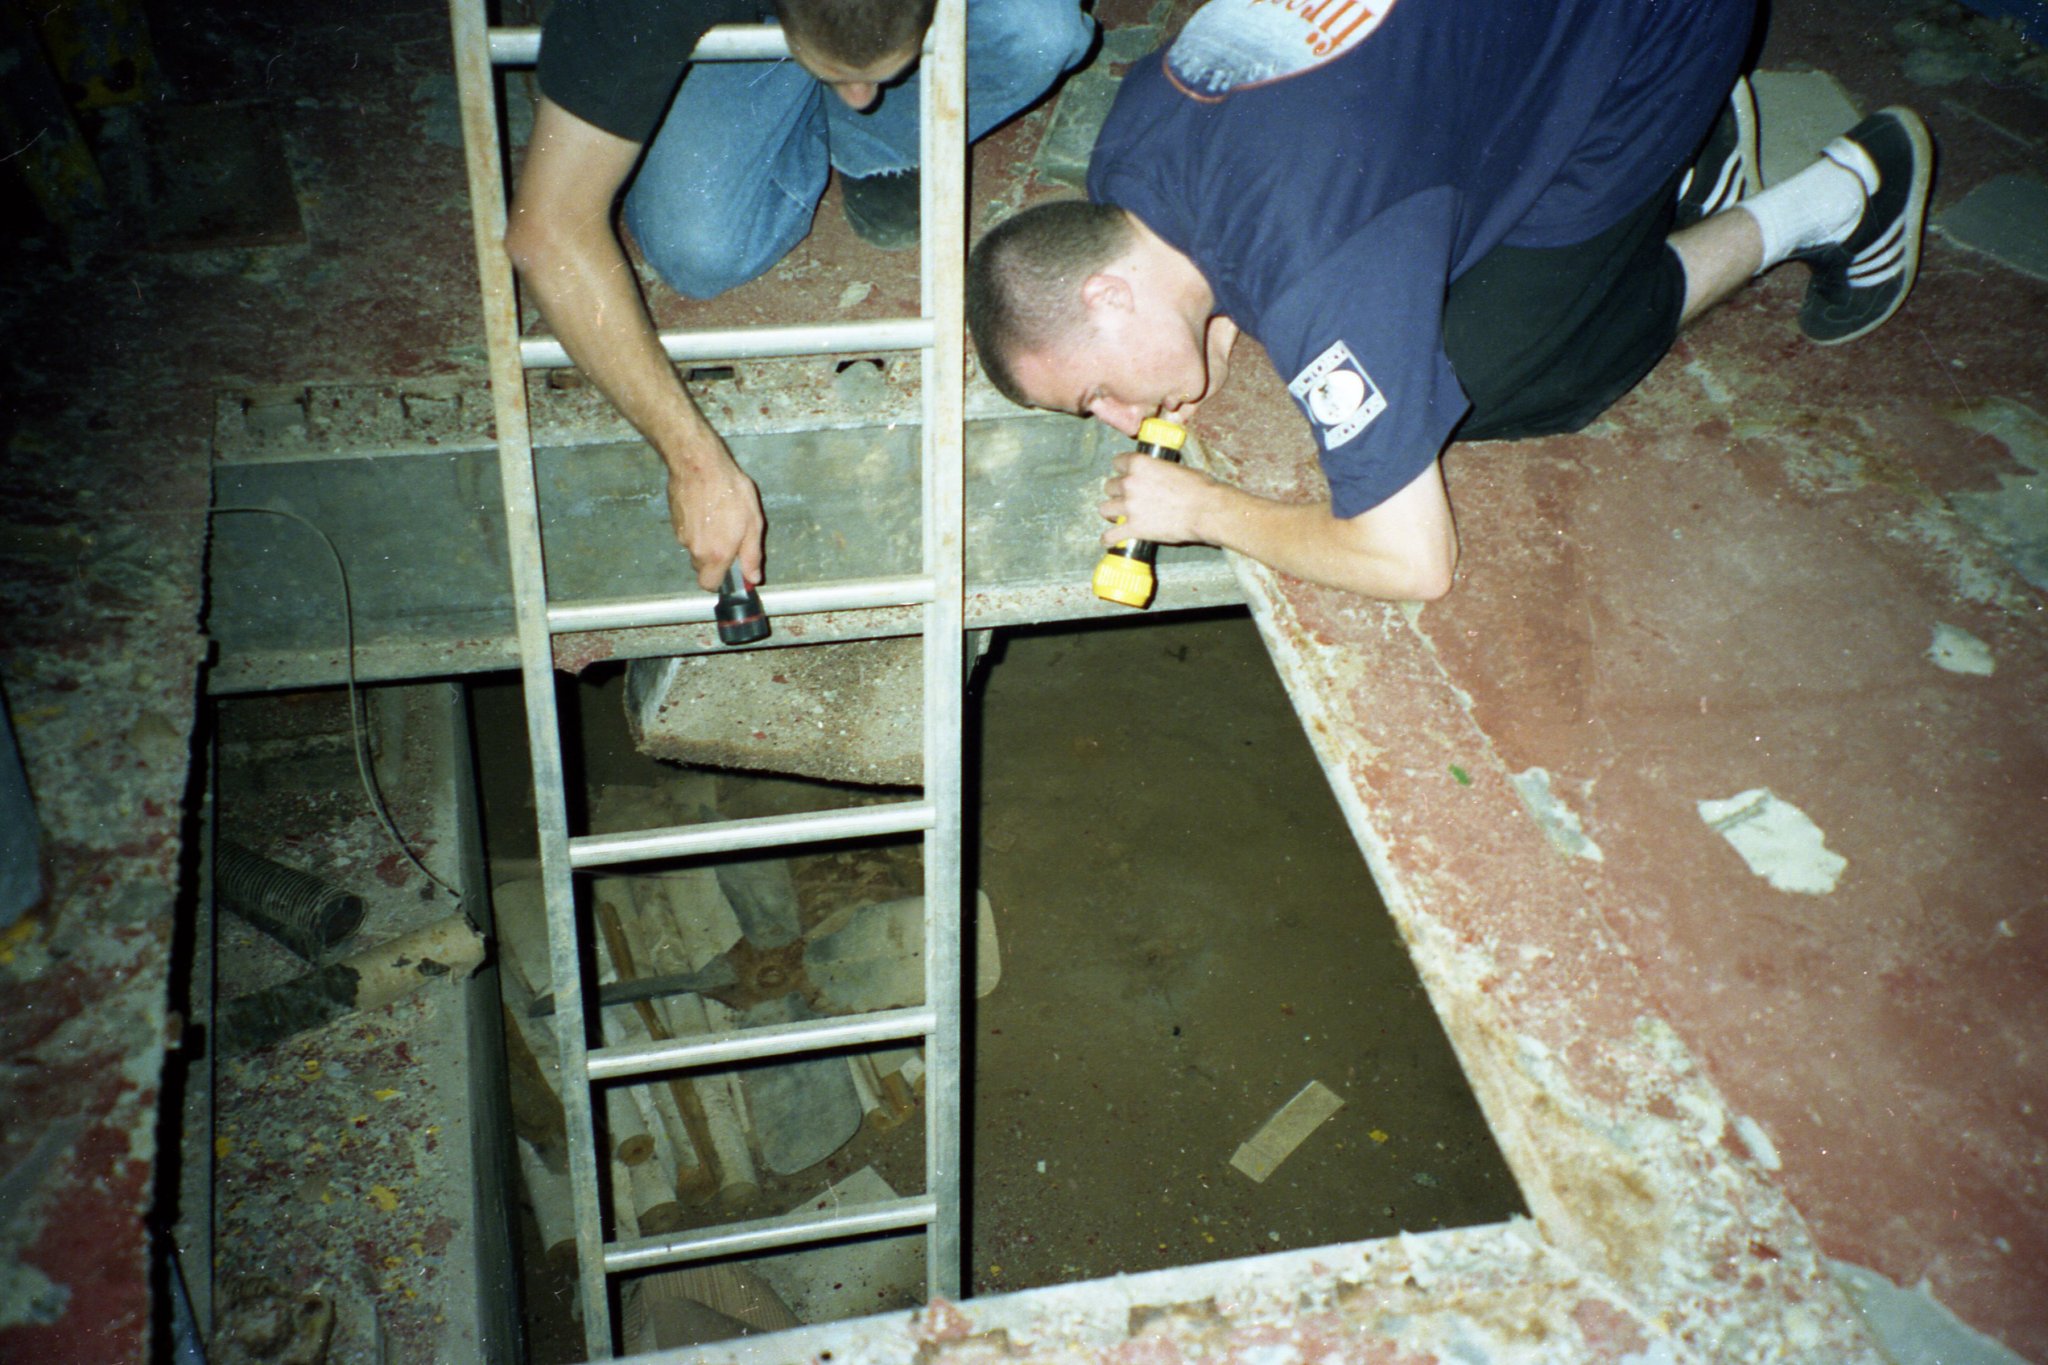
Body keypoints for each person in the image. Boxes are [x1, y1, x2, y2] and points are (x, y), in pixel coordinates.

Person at [966, 0, 1933, 603]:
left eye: (1094, 390)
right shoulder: (1125, 157)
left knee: (1471, 379)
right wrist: (1208, 317)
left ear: (1107, 292)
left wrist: (1207, 510)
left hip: (1660, 28)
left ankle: (1834, 202)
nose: (1120, 418)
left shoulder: (1314, 267)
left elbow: (1410, 562)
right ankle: (1680, 152)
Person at [508, 0, 1094, 592]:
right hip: (721, 20)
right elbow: (547, 229)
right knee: (701, 252)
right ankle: (750, 105)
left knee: (1041, 31)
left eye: (879, 71)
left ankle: (872, 146)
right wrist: (692, 461)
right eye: (843, 75)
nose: (865, 95)